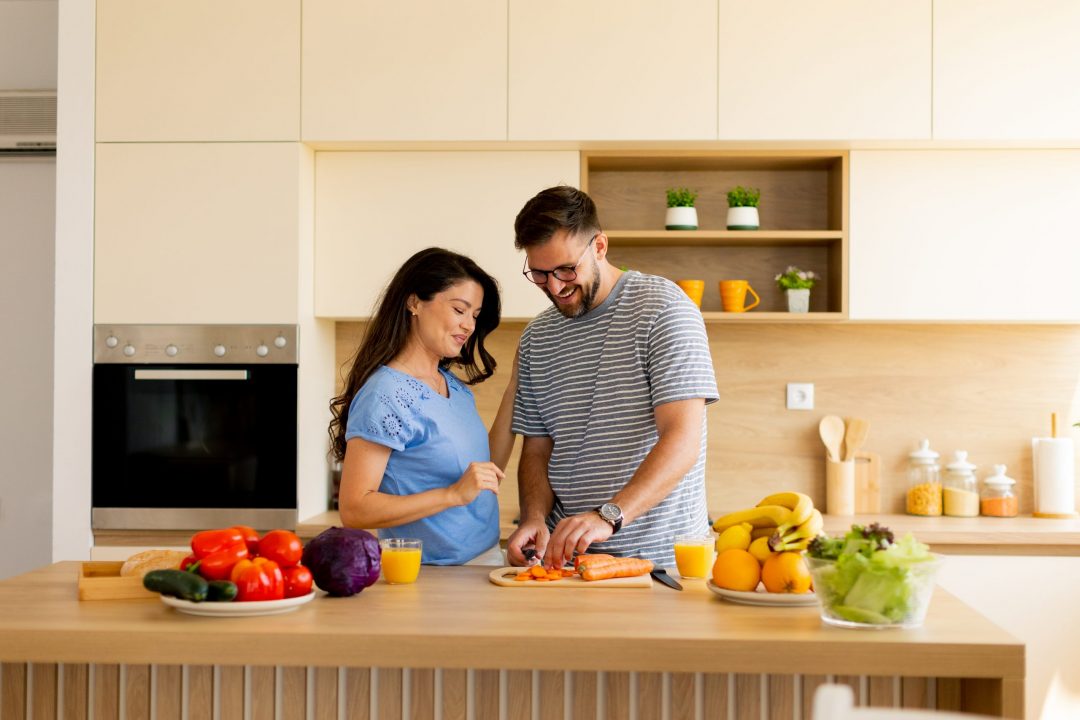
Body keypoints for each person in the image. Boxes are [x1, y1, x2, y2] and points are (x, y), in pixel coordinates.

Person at [506, 186, 719, 569]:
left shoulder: (665, 310)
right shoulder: (537, 338)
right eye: (539, 274)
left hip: (659, 564)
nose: (555, 287)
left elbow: (682, 439)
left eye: (566, 269)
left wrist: (609, 515)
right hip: (566, 563)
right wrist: (535, 517)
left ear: (599, 246)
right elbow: (537, 450)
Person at [328, 248, 518, 566]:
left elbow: (484, 476)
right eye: (460, 309)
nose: (469, 325)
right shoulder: (386, 393)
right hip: (433, 577)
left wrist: (516, 386)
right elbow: (355, 509)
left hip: (484, 563)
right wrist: (451, 495)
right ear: (414, 302)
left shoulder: (452, 387)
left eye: (475, 315)